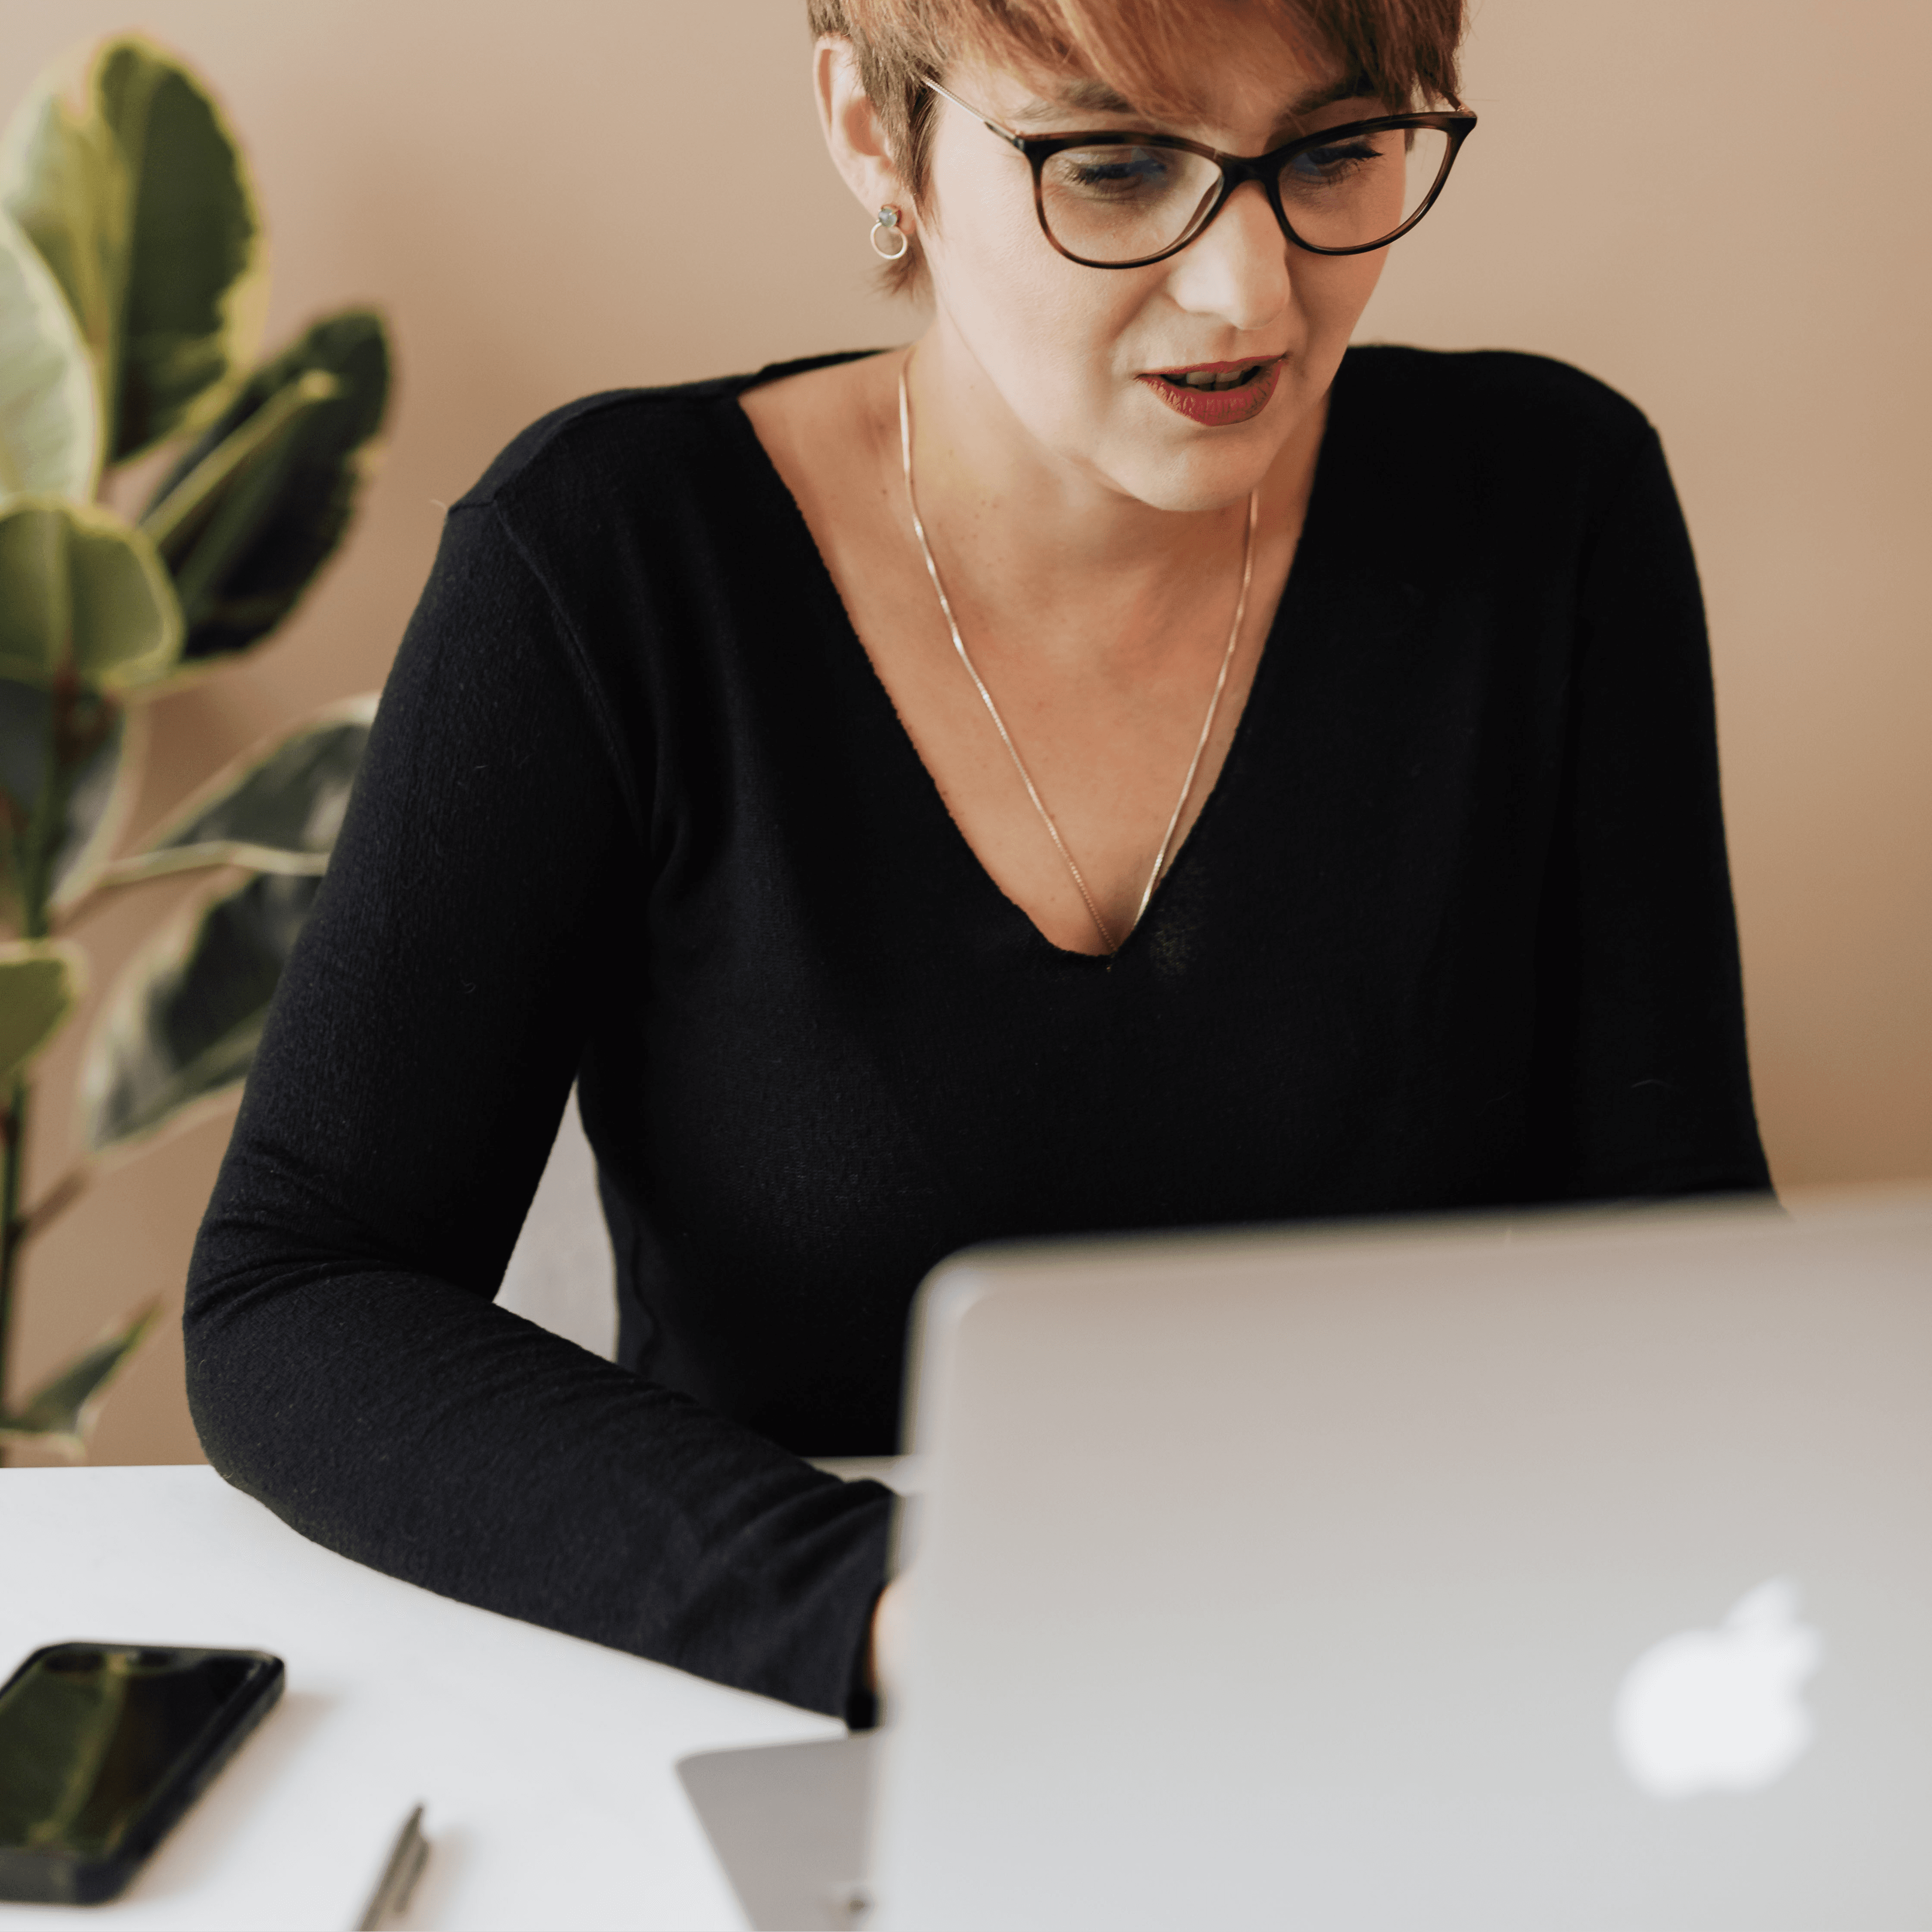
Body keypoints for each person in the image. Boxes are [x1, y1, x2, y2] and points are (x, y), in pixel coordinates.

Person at [183, 0, 1769, 1729]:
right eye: (1114, 167)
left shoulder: (1552, 506)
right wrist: (892, 1611)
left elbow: (1681, 1265)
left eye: (1333, 152)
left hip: (1426, 1675)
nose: (1250, 290)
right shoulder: (609, 559)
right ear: (877, 134)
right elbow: (301, 1295)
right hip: (815, 1703)